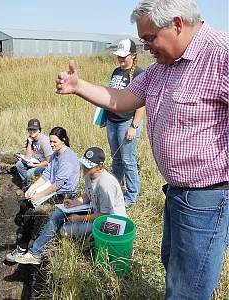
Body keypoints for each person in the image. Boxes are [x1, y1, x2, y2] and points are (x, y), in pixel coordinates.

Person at [55, 1, 228, 299]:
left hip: (208, 196)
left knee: (190, 286)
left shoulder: (221, 55)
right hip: (177, 191)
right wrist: (78, 85)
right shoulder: (163, 66)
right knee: (174, 267)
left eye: (149, 39)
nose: (146, 48)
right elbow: (122, 99)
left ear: (176, 24)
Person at [15, 147, 127, 265]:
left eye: (88, 166)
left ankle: (85, 243)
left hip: (109, 224)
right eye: (84, 164)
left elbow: (105, 215)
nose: (84, 167)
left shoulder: (106, 185)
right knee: (58, 214)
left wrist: (78, 218)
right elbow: (88, 195)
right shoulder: (90, 175)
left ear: (100, 168)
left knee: (65, 229)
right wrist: (75, 202)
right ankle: (35, 253)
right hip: (95, 212)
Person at [5, 127, 80, 262]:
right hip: (53, 188)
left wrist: (39, 195)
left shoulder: (67, 158)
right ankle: (28, 234)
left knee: (30, 211)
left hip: (64, 194)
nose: (51, 145)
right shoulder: (55, 155)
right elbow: (46, 176)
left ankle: (22, 247)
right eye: (50, 142)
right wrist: (31, 189)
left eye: (54, 142)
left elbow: (58, 184)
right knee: (24, 202)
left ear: (63, 141)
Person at [105, 39, 145, 207]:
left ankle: (132, 194)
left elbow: (142, 102)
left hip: (127, 122)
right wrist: (104, 117)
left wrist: (134, 126)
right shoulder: (116, 71)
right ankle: (117, 189)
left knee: (128, 160)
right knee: (116, 159)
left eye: (123, 57)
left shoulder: (139, 74)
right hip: (112, 121)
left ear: (133, 55)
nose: (120, 60)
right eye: (118, 57)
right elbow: (112, 96)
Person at [15, 119, 53, 192]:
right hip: (37, 161)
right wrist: (29, 143)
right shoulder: (31, 140)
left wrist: (35, 166)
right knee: (19, 164)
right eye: (30, 130)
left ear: (39, 130)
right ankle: (26, 184)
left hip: (46, 165)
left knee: (30, 172)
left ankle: (30, 188)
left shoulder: (44, 142)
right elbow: (27, 157)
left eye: (34, 130)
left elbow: (49, 161)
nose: (32, 132)